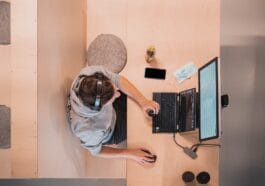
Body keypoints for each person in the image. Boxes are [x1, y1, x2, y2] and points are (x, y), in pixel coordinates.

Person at [68, 65, 160, 165]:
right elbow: (97, 151)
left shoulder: (90, 74)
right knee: (144, 128)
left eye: (113, 88)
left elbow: (118, 80)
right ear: (101, 108)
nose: (118, 94)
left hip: (111, 111)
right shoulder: (88, 130)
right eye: (113, 96)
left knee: (144, 97)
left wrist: (143, 101)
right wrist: (131, 154)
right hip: (113, 130)